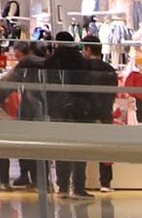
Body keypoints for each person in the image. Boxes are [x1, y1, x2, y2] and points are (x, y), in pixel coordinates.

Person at [41, 32, 93, 200]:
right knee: (79, 148)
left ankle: (62, 185)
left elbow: (45, 85)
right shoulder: (81, 61)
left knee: (61, 147)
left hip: (57, 108)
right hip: (79, 108)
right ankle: (79, 187)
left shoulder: (51, 61)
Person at [0, 38, 48, 190]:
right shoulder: (45, 62)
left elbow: (10, 84)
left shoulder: (26, 64)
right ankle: (39, 179)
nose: (17, 59)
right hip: (43, 109)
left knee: (27, 144)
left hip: (30, 108)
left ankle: (29, 177)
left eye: (18, 56)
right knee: (41, 146)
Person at [79, 37, 118, 195]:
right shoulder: (108, 69)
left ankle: (80, 182)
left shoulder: (82, 68)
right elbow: (113, 91)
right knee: (105, 148)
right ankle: (106, 182)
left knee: (81, 149)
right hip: (105, 111)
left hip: (86, 112)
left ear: (88, 49)